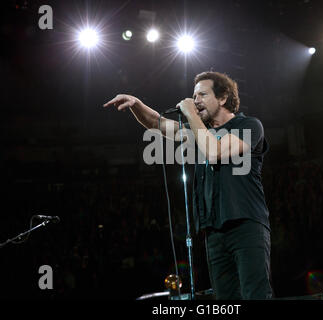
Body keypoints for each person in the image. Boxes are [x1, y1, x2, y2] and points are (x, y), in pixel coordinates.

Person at [103, 71, 272, 300]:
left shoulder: (249, 125)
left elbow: (215, 152)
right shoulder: (199, 133)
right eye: (194, 96)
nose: (195, 100)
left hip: (246, 225)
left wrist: (191, 114)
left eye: (202, 94)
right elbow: (156, 123)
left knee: (255, 295)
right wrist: (137, 104)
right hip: (213, 231)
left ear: (223, 98)